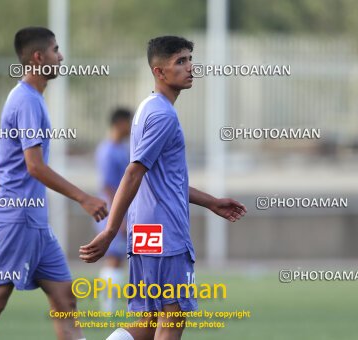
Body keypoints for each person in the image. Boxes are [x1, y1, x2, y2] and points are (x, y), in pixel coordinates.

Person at [79, 36, 247, 340]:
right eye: (180, 62)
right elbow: (133, 172)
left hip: (146, 232)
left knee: (145, 322)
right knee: (171, 319)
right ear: (160, 72)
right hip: (165, 232)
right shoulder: (163, 115)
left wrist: (210, 202)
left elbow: (166, 180)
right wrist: (109, 230)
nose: (190, 67)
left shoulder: (147, 108)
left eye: (190, 59)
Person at [0, 26, 107, 340]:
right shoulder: (26, 101)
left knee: (65, 299)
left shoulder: (27, 98)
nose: (61, 56)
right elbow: (34, 166)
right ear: (38, 57)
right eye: (56, 50)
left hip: (34, 222)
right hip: (18, 217)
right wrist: (83, 198)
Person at [94, 108, 132, 312]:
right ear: (119, 123)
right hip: (112, 210)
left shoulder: (122, 148)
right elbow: (107, 186)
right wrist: (119, 218)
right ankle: (107, 306)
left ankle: (115, 304)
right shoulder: (107, 150)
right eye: (128, 122)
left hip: (123, 209)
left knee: (122, 257)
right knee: (113, 257)